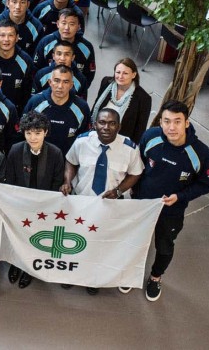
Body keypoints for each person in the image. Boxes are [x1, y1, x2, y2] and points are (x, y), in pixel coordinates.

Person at [133, 100, 209, 301]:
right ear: (160, 122)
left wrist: (180, 197)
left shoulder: (200, 153)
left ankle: (155, 277)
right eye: (167, 121)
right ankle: (129, 274)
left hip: (171, 211)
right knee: (134, 241)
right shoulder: (150, 137)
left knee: (164, 246)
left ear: (187, 123)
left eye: (177, 121)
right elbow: (137, 167)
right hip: (141, 205)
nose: (171, 127)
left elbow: (208, 183)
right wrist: (135, 194)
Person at [61, 108, 144, 294]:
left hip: (109, 206)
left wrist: (119, 190)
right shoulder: (82, 141)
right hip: (81, 202)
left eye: (112, 123)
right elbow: (71, 161)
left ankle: (92, 278)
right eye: (102, 122)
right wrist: (67, 181)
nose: (106, 127)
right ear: (95, 124)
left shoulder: (130, 149)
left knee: (100, 243)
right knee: (76, 240)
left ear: (119, 126)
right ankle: (72, 274)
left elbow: (135, 173)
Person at [4, 111, 65, 289]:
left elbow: (56, 182)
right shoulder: (15, 150)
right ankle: (16, 264)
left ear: (45, 132)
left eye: (37, 133)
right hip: (20, 205)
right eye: (28, 133)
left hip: (43, 208)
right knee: (17, 237)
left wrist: (44, 205)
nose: (33, 137)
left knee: (35, 239)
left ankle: (28, 270)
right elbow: (11, 179)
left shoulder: (55, 153)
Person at [23, 64, 91, 155]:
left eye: (65, 82)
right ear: (50, 82)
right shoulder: (35, 102)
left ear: (71, 85)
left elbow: (84, 139)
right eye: (57, 81)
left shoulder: (82, 107)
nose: (60, 86)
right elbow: (23, 131)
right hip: (37, 158)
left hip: (67, 161)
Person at [92, 58, 152, 143]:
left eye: (125, 73)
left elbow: (140, 130)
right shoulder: (106, 82)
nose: (120, 77)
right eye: (118, 72)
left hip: (121, 141)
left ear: (133, 75)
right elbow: (96, 107)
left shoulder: (143, 98)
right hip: (96, 134)